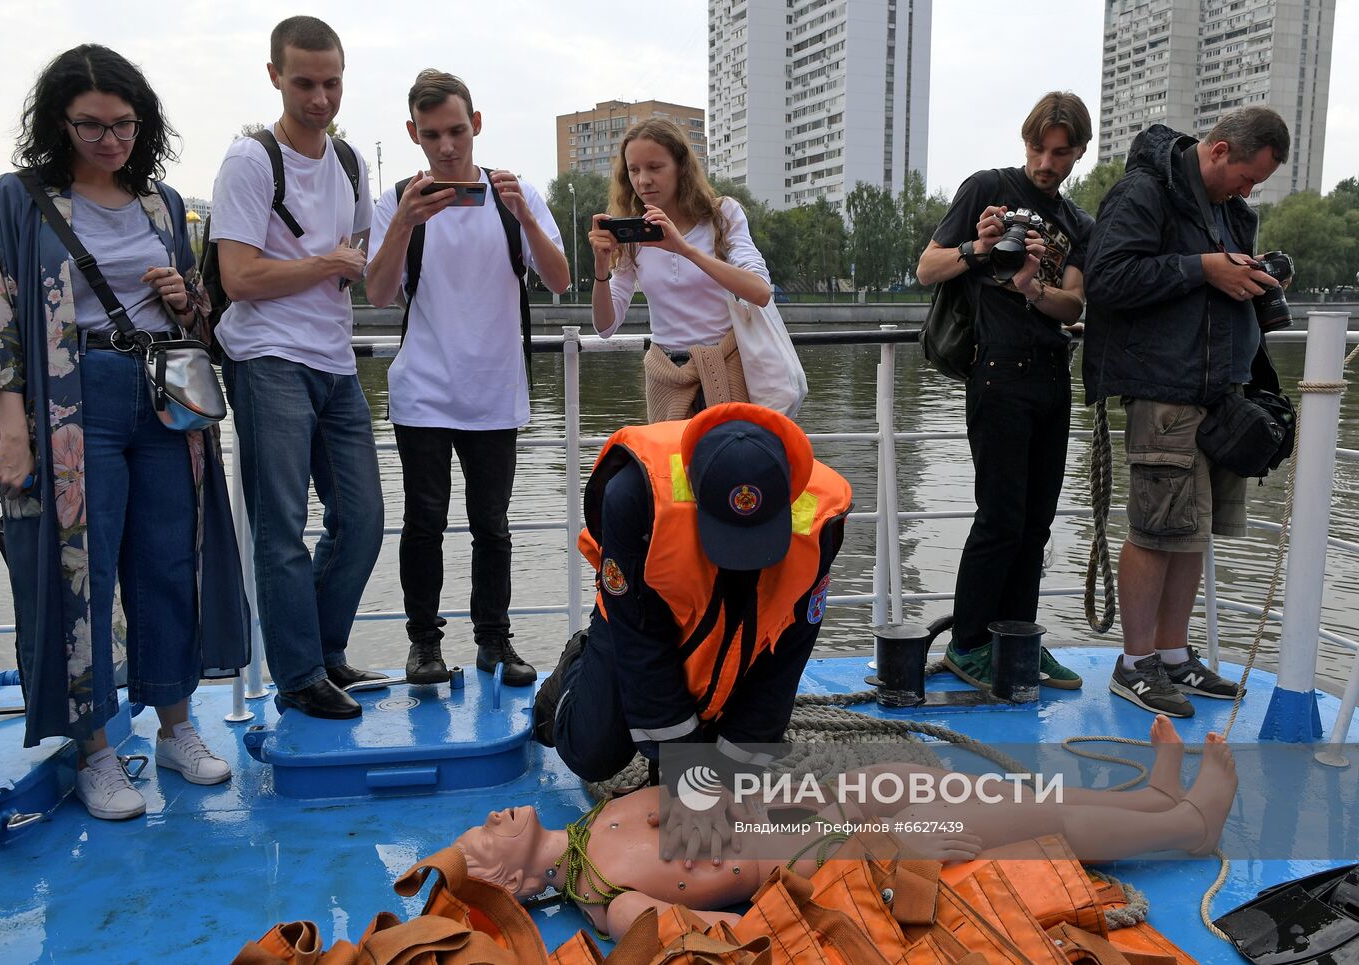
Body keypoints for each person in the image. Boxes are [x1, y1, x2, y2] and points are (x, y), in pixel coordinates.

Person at [0, 44, 249, 819]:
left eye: (123, 123)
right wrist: (12, 432)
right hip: (69, 402)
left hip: (161, 401)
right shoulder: (20, 198)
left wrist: (182, 296)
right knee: (77, 573)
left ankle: (175, 725)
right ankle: (95, 748)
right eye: (90, 125)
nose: (110, 140)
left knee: (168, 561)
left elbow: (199, 320)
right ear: (59, 122)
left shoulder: (161, 202)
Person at [458, 717, 1237, 942]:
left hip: (821, 805)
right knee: (1023, 817)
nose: (486, 819)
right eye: (477, 843)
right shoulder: (611, 898)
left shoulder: (597, 818)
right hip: (834, 848)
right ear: (511, 883)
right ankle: (1190, 825)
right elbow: (734, 931)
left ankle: (1155, 802)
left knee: (999, 792)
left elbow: (723, 793)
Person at [531, 402, 852, 855]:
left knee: (737, 768)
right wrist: (689, 776)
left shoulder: (823, 522)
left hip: (747, 625)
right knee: (593, 752)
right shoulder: (633, 496)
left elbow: (784, 661)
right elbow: (643, 643)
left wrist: (728, 780)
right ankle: (575, 669)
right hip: (641, 614)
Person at [364, 70, 570, 688]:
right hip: (423, 390)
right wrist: (403, 221)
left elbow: (560, 281)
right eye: (431, 135)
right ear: (413, 134)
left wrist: (525, 219)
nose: (447, 146)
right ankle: (423, 645)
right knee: (423, 522)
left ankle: (494, 641)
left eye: (456, 130)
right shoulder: (397, 200)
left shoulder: (518, 195)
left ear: (475, 124)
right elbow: (377, 295)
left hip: (493, 389)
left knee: (492, 524)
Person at [1083, 107, 1290, 717]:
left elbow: (1219, 286)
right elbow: (1105, 278)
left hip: (1220, 395)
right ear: (1220, 149)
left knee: (1191, 533)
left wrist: (1250, 278)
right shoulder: (1146, 191)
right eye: (1248, 178)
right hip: (1164, 390)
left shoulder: (1231, 211)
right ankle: (1135, 664)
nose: (1249, 192)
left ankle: (1173, 657)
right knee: (1155, 532)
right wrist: (1202, 266)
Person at [210, 16, 386, 719]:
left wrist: (345, 265)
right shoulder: (249, 161)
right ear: (275, 76)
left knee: (364, 518)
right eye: (306, 82)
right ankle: (300, 675)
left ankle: (320, 650)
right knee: (279, 525)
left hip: (334, 359)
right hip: (266, 358)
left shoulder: (349, 161)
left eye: (333, 82)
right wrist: (328, 264)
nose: (321, 98)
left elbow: (356, 252)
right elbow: (238, 277)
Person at [914, 92, 1094, 692]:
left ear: (1077, 154)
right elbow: (928, 268)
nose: (1046, 162)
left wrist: (1029, 287)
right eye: (1038, 149)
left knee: (1037, 522)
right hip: (997, 370)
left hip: (1051, 374)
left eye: (1060, 153)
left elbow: (1072, 303)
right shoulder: (985, 187)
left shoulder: (1075, 222)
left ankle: (1018, 641)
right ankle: (969, 645)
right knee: (1000, 517)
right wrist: (981, 248)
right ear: (1026, 143)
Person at [589, 118, 773, 422]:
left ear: (681, 167)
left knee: (728, 464)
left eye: (655, 167)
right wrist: (600, 267)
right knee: (671, 469)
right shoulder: (634, 235)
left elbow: (760, 291)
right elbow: (605, 327)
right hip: (666, 378)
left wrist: (684, 250)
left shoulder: (722, 215)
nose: (643, 180)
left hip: (727, 368)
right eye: (633, 170)